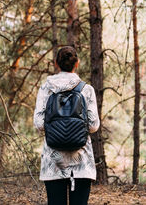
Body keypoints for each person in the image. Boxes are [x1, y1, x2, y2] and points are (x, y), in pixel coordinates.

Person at [34, 46, 100, 205]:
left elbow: (39, 124)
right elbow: (93, 126)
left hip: (53, 163)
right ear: (76, 63)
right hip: (82, 162)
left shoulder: (46, 88)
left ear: (56, 63)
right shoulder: (86, 89)